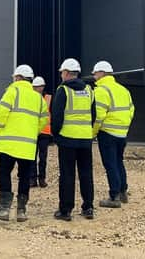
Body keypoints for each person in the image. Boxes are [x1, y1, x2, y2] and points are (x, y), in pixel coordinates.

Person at [0, 65, 48, 222]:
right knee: (24, 176)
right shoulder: (38, 98)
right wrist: (33, 132)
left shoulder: (12, 91)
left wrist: (0, 129)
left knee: (4, 173)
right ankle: (21, 211)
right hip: (28, 144)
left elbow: (2, 112)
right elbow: (44, 119)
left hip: (9, 143)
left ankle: (4, 208)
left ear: (18, 77)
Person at [52, 58, 96, 221]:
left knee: (67, 174)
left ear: (66, 73)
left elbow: (57, 116)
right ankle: (88, 207)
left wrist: (56, 135)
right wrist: (86, 130)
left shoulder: (63, 90)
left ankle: (65, 210)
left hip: (67, 138)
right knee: (86, 173)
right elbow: (93, 115)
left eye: (62, 73)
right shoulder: (89, 90)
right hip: (85, 139)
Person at [92, 61, 135, 208]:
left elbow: (98, 116)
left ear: (102, 73)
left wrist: (93, 132)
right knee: (118, 161)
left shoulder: (101, 91)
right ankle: (123, 192)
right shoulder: (123, 90)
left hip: (107, 133)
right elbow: (131, 110)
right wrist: (124, 126)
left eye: (95, 73)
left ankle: (114, 196)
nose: (94, 76)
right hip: (122, 133)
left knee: (110, 164)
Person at [30, 76, 52, 188]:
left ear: (43, 87)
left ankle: (42, 179)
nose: (37, 89)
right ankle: (32, 179)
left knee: (42, 158)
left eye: (39, 86)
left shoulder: (48, 98)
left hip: (44, 132)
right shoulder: (30, 98)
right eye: (35, 87)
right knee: (32, 157)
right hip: (33, 131)